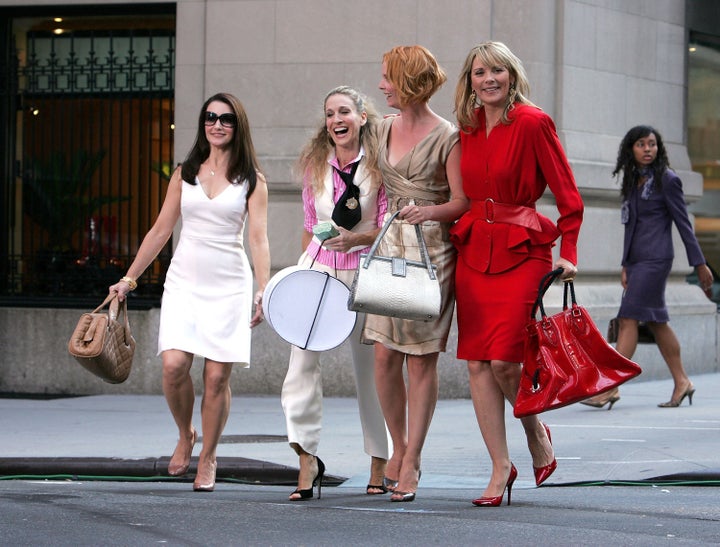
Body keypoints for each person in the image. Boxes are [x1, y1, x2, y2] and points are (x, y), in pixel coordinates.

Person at [110, 92, 270, 492]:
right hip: (184, 280)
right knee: (173, 366)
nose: (217, 124)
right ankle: (186, 433)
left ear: (238, 126)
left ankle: (209, 456)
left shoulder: (252, 179)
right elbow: (161, 230)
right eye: (211, 117)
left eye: (226, 119)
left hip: (230, 283)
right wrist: (129, 279)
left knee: (216, 377)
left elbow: (259, 240)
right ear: (203, 124)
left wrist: (263, 290)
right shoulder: (184, 173)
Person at [450, 41, 583, 507]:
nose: (488, 79)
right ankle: (499, 466)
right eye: (479, 72)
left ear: (512, 75)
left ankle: (534, 432)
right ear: (470, 80)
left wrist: (569, 251)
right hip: (472, 254)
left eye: (497, 71)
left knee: (506, 361)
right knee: (477, 363)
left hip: (523, 250)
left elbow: (569, 194)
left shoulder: (533, 122)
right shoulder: (465, 129)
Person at [363, 45, 469, 503]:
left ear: (406, 81)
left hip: (432, 254)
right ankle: (399, 446)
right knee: (384, 357)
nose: (382, 85)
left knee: (421, 360)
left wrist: (426, 211)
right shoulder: (381, 128)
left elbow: (461, 201)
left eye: (387, 77)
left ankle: (414, 458)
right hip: (390, 250)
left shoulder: (448, 136)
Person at [280, 86, 390, 501]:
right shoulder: (316, 166)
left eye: (344, 111)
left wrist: (358, 238)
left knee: (372, 370)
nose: (336, 120)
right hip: (318, 271)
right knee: (300, 364)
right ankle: (306, 457)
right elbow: (310, 225)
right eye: (329, 113)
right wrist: (300, 272)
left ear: (362, 116)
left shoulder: (379, 165)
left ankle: (380, 460)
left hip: (364, 274)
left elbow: (387, 224)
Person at [581, 125, 713, 410]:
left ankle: (610, 387)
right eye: (641, 144)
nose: (648, 149)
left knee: (628, 318)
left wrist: (699, 263)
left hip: (656, 260)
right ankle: (682, 381)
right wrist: (626, 264)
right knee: (656, 321)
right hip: (638, 262)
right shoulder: (632, 180)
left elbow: (683, 223)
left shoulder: (668, 180)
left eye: (652, 144)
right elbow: (631, 227)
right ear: (631, 149)